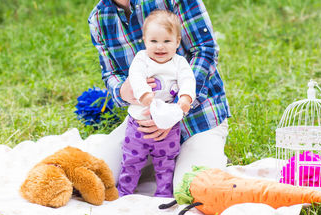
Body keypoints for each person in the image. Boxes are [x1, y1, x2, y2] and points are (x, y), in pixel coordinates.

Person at [88, 0, 230, 194]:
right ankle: (156, 163)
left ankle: (202, 155)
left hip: (198, 118)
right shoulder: (99, 18)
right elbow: (110, 74)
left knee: (191, 190)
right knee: (95, 178)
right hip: (143, 125)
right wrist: (122, 90)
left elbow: (205, 50)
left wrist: (172, 112)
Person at [117, 10, 196, 197]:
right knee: (131, 160)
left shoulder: (179, 63)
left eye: (167, 41)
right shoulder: (142, 59)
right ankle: (125, 192)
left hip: (169, 122)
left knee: (166, 162)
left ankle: (163, 193)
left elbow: (188, 80)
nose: (160, 47)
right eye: (153, 41)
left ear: (177, 42)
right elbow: (135, 76)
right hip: (139, 123)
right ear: (145, 41)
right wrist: (144, 93)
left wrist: (185, 98)